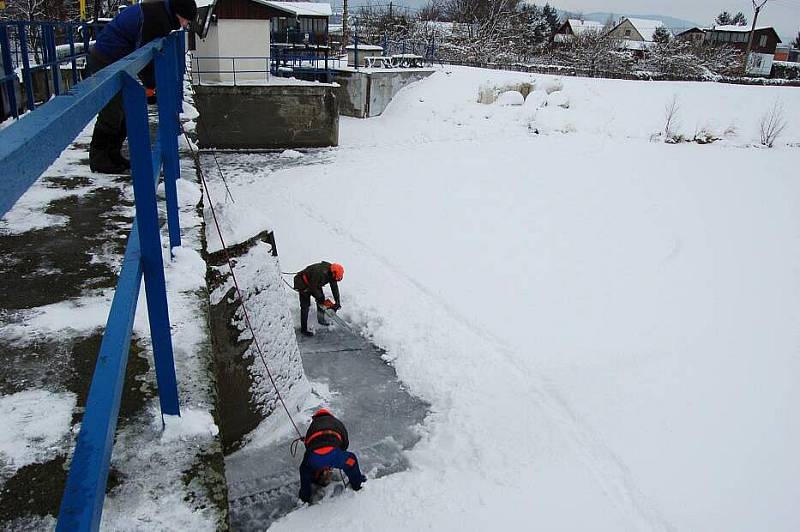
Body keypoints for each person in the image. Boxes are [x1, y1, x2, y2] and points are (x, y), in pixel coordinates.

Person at [87, 0, 198, 174]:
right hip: (105, 60)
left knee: (123, 110)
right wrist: (152, 87)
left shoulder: (161, 13)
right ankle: (99, 159)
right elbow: (145, 58)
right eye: (186, 20)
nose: (185, 25)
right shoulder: (157, 18)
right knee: (112, 111)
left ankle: (113, 155)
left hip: (118, 61)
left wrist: (153, 87)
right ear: (178, 13)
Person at [299, 408, 366, 503]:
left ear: (316, 417)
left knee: (305, 469)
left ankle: (305, 497)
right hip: (334, 454)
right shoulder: (337, 423)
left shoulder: (313, 425)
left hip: (315, 458)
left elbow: (308, 446)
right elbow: (345, 443)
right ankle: (357, 484)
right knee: (352, 460)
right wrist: (339, 455)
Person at [293, 261, 344, 336]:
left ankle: (321, 320)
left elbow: (334, 288)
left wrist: (337, 302)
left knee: (321, 299)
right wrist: (318, 297)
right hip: (302, 282)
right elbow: (312, 287)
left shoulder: (332, 274)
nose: (334, 279)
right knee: (305, 306)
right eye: (335, 278)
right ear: (333, 272)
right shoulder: (319, 272)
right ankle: (303, 330)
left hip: (315, 283)